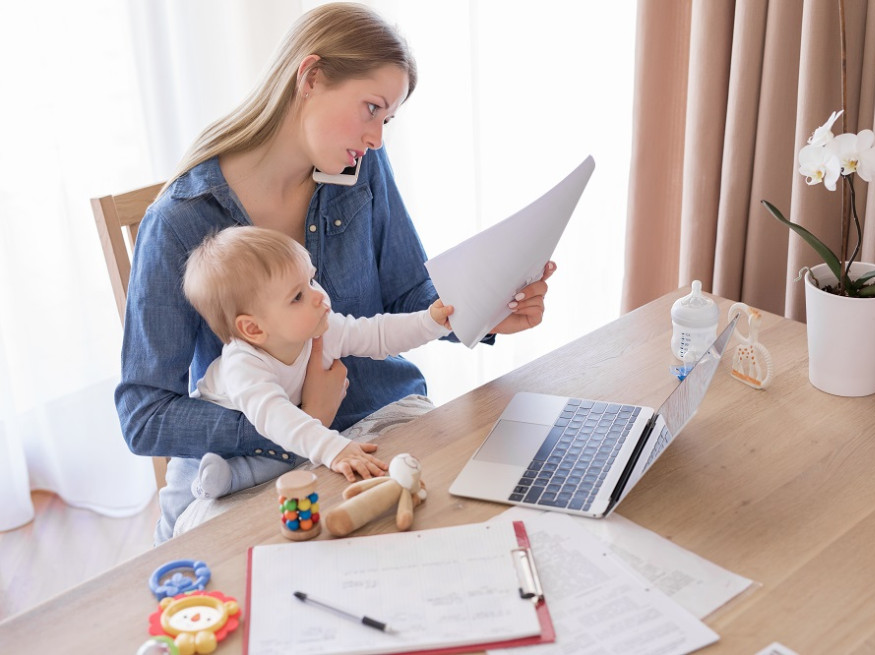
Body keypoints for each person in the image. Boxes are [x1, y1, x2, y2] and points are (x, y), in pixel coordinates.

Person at [115, 2, 555, 544]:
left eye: (387, 118)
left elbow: (406, 293)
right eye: (371, 108)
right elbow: (144, 415)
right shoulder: (181, 221)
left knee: (486, 530)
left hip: (387, 419)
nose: (377, 139)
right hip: (258, 460)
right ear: (311, 77)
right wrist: (299, 419)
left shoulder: (361, 167)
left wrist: (488, 311)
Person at [179, 225, 452, 518]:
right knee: (178, 503)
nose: (319, 296)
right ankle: (213, 485)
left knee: (286, 457)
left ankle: (231, 477)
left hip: (271, 443)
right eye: (297, 296)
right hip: (205, 451)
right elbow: (275, 415)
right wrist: (334, 449)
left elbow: (377, 334)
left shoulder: (321, 327)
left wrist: (429, 322)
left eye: (311, 279)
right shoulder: (243, 364)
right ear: (254, 328)